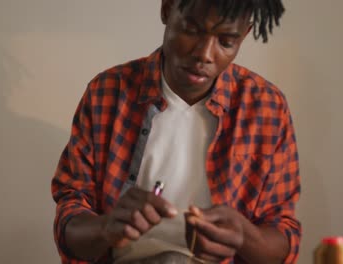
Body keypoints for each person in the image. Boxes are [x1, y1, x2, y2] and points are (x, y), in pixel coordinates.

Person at [52, 0, 301, 263]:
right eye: (191, 31)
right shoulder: (107, 92)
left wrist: (244, 238)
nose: (205, 54)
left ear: (245, 35)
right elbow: (70, 223)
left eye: (226, 42)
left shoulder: (266, 106)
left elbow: (282, 236)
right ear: (167, 9)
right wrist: (106, 228)